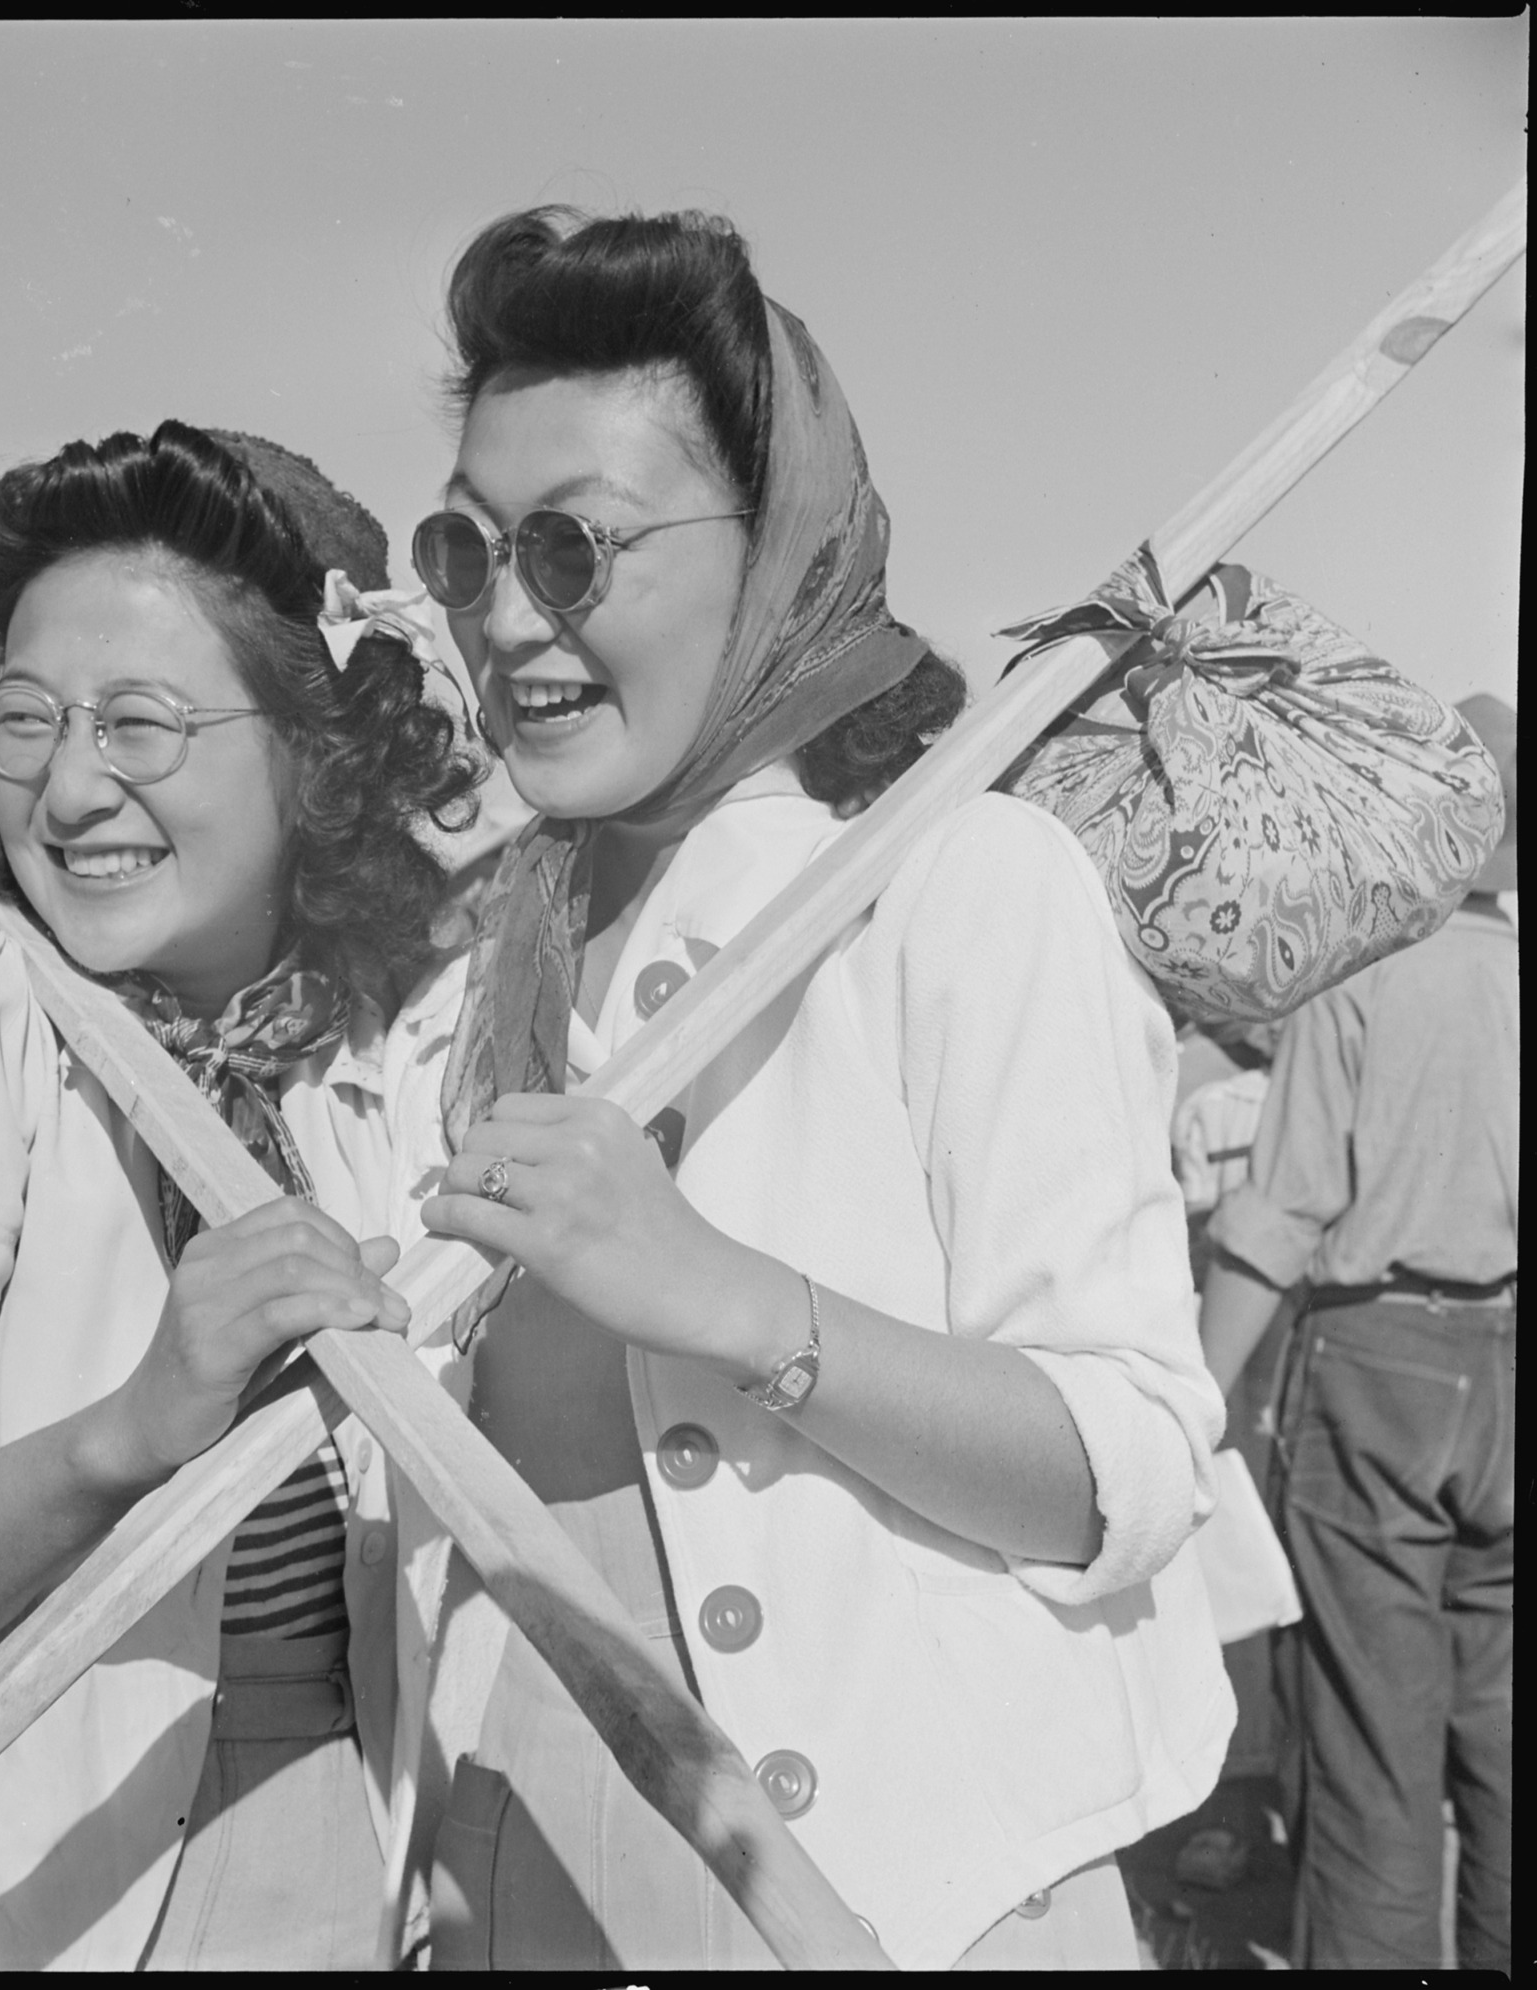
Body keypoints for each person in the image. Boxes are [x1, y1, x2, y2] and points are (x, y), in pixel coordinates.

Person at [376, 208, 1234, 1971]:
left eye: (576, 548)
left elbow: (1130, 1468)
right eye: (468, 554)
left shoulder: (956, 888)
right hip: (518, 1860)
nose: (509, 624)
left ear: (778, 547)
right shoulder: (468, 972)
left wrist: (730, 1301)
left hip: (913, 1899)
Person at [0, 422, 477, 1970]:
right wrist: (135, 1425)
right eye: (26, 719)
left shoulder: (394, 1049)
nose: (67, 791)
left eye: (139, 723)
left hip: (334, 1860)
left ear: (315, 749)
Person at [1198, 694, 1516, 1971]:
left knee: (1370, 1748)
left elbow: (1278, 1215)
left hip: (1377, 1363)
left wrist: (1192, 1398)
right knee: (1503, 1745)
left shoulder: (1368, 972)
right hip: (1507, 1360)